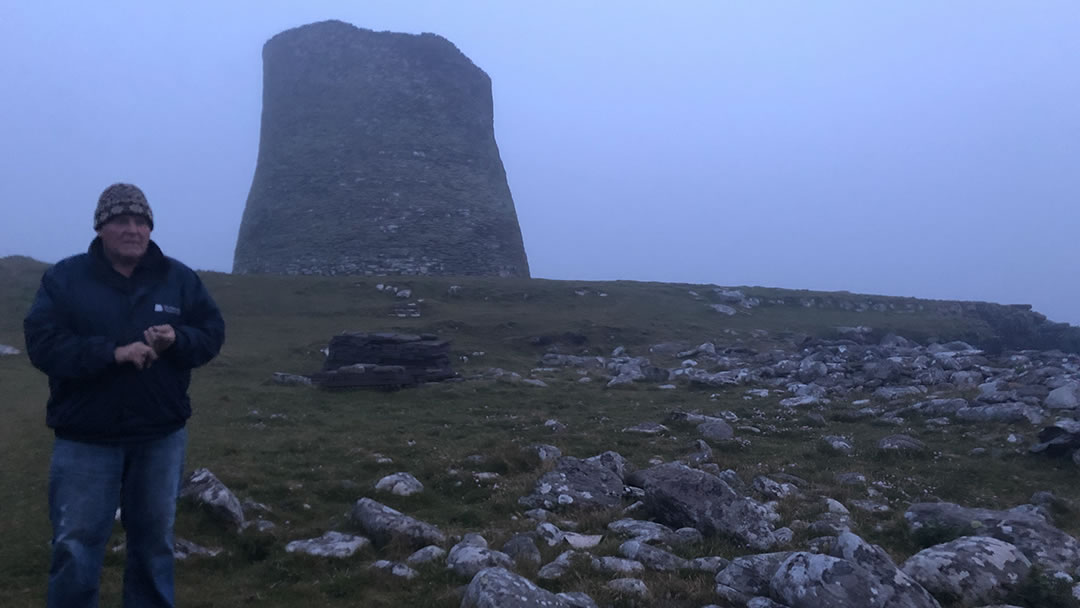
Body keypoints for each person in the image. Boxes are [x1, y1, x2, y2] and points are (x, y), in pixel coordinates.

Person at [24, 183, 226, 608]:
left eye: (141, 222)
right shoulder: (65, 278)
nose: (132, 229)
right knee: (75, 547)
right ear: (100, 228)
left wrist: (179, 340)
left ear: (150, 229)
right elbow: (43, 343)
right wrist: (112, 353)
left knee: (154, 547)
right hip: (85, 437)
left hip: (160, 435)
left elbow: (211, 334)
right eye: (120, 221)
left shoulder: (179, 279)